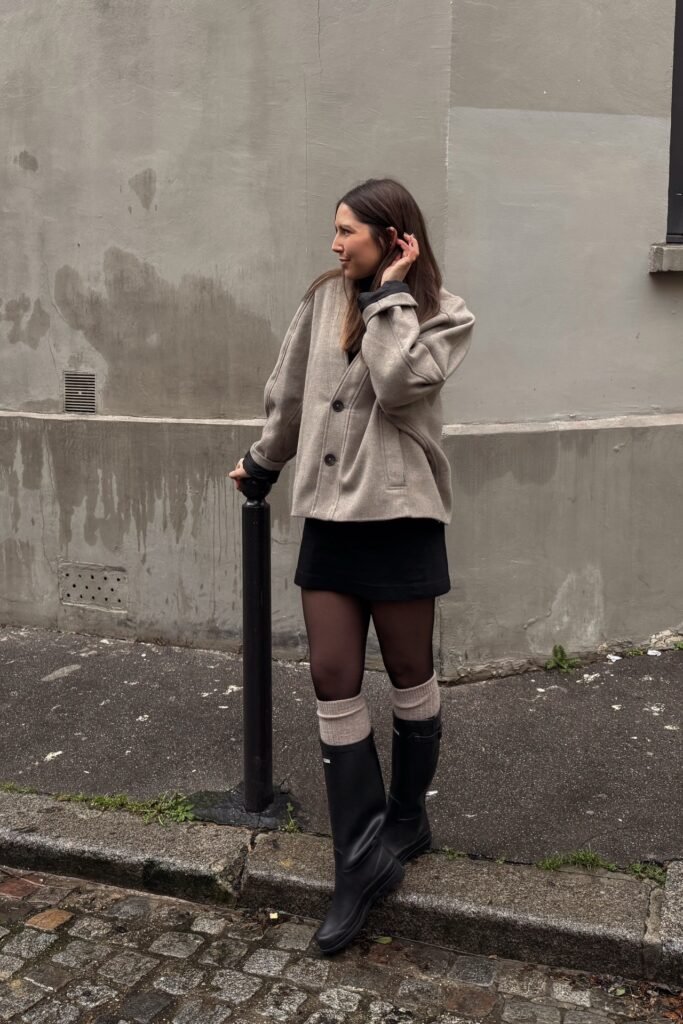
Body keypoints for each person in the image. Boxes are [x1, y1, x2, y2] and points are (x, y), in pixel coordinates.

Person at [229, 177, 475, 955]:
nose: (335, 245)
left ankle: (408, 816)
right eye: (334, 231)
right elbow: (292, 393)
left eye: (347, 232)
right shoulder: (321, 299)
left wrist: (389, 298)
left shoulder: (442, 313)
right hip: (331, 518)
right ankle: (358, 860)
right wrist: (263, 463)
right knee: (332, 677)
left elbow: (401, 386)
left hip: (399, 519)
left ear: (392, 237)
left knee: (409, 677)